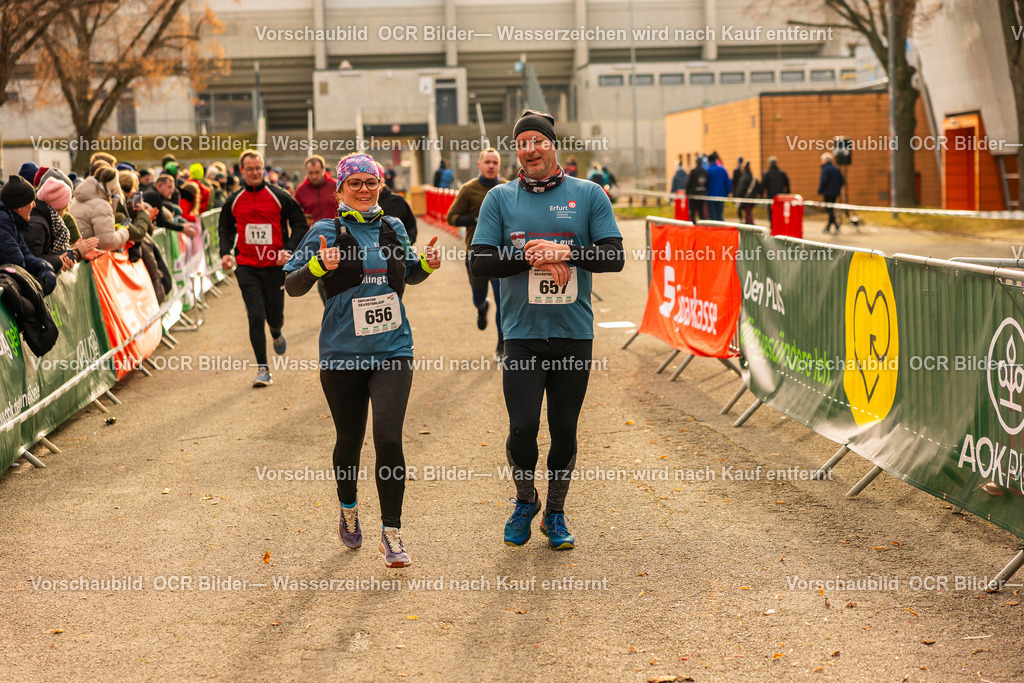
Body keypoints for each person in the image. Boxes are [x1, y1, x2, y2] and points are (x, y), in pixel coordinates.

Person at [470, 110, 624, 550]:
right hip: (521, 333)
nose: (530, 149)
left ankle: (555, 512)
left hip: (573, 334)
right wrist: (533, 255)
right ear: (515, 150)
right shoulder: (500, 198)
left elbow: (613, 256)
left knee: (564, 429)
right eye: (522, 143)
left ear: (554, 146)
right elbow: (480, 262)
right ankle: (526, 500)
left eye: (538, 140)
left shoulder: (589, 194)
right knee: (521, 427)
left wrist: (567, 251)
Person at [283, 153, 441, 568]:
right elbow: (292, 285)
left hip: (393, 349)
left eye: (371, 182)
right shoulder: (324, 230)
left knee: (389, 439)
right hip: (342, 355)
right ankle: (349, 507)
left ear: (380, 187)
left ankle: (392, 533)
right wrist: (318, 265)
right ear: (340, 190)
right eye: (355, 183)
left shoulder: (393, 228)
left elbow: (408, 272)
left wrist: (425, 263)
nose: (365, 189)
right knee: (349, 441)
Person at [219, 150, 306, 387]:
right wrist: (226, 253)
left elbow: (300, 223)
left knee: (274, 315)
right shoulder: (234, 199)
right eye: (250, 169)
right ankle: (263, 369)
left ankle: (276, 331)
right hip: (247, 266)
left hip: (274, 266)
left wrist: (289, 249)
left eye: (258, 168)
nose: (255, 172)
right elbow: (225, 228)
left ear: (263, 169)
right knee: (255, 314)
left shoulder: (280, 196)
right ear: (242, 171)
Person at [447, 148, 505, 357]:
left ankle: (502, 346)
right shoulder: (469, 189)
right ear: (479, 165)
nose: (491, 166)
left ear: (499, 166)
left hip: (502, 255)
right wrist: (475, 220)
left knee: (504, 305)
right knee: (478, 298)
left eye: (495, 163)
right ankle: (482, 307)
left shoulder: (508, 188)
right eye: (487, 162)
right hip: (476, 254)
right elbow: (451, 217)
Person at [0, 175, 57, 294]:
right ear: (19, 207)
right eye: (31, 201)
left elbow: (25, 254)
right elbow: (16, 263)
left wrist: (45, 268)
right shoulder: (3, 221)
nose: (34, 205)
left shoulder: (14, 221)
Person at [294, 154, 338, 226]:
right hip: (312, 234)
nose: (314, 176)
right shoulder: (301, 190)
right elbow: (294, 215)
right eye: (311, 173)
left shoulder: (336, 186)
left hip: (335, 231)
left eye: (317, 172)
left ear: (323, 170)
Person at [818, 152, 844, 233]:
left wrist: (820, 190)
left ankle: (834, 226)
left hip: (827, 193)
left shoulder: (825, 169)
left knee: (829, 210)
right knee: (831, 209)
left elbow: (824, 181)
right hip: (835, 193)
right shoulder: (836, 169)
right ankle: (829, 227)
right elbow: (842, 181)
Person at [761, 156, 790, 228]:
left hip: (770, 196)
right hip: (780, 197)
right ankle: (779, 225)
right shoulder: (781, 173)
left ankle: (772, 226)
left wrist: (761, 195)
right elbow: (787, 184)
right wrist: (787, 194)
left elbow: (763, 185)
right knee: (779, 212)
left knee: (771, 212)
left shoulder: (767, 173)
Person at [704, 152, 731, 221]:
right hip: (720, 195)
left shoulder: (707, 170)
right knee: (719, 214)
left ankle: (713, 230)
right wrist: (727, 193)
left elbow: (705, 183)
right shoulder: (722, 169)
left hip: (710, 196)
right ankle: (720, 229)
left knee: (712, 215)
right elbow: (728, 182)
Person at [685, 156, 708, 223]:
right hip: (702, 194)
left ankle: (694, 226)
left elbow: (689, 182)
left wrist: (687, 192)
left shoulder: (693, 171)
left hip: (693, 195)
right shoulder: (705, 172)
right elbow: (707, 183)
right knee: (701, 212)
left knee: (692, 212)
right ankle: (702, 225)